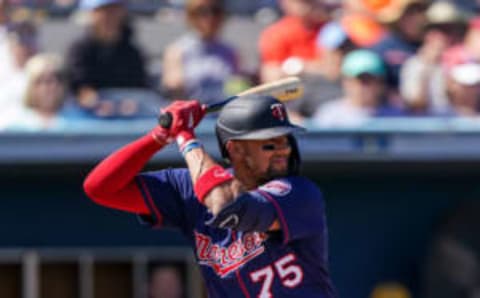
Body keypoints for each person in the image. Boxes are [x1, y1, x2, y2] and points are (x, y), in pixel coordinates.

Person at [83, 95, 337, 297]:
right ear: (236, 149)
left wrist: (185, 138)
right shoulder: (188, 188)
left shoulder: (298, 193)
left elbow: (228, 206)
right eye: (269, 143)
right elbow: (101, 188)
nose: (283, 150)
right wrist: (159, 136)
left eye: (285, 140)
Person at [64, 0, 149, 116]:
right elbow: (79, 87)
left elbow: (140, 88)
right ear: (92, 14)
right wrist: (93, 102)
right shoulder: (78, 50)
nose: (109, 16)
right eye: (103, 10)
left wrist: (130, 103)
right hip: (85, 119)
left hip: (129, 119)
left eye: (114, 9)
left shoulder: (134, 52)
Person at [161, 0, 245, 105]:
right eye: (202, 11)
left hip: (223, 114)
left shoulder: (231, 51)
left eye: (216, 11)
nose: (210, 17)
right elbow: (173, 90)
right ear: (191, 16)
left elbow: (237, 89)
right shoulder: (176, 51)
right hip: (191, 115)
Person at [399, 1, 468, 115]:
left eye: (450, 29)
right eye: (439, 29)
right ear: (428, 33)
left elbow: (468, 106)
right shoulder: (415, 64)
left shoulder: (467, 60)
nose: (445, 36)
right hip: (425, 129)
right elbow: (415, 104)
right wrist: (428, 66)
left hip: (459, 128)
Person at [313, 49, 401, 127]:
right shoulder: (328, 115)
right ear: (345, 82)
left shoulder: (397, 117)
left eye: (368, 80)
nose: (362, 86)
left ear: (381, 84)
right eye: (358, 80)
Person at [258, 0, 330, 82]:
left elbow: (332, 69)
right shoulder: (276, 33)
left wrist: (303, 67)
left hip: (326, 87)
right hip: (292, 89)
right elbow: (271, 74)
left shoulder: (331, 29)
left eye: (310, 2)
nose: (306, 7)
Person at [0, 53, 68, 130]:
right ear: (30, 87)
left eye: (57, 79)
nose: (50, 87)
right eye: (40, 81)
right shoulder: (14, 126)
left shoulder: (79, 123)